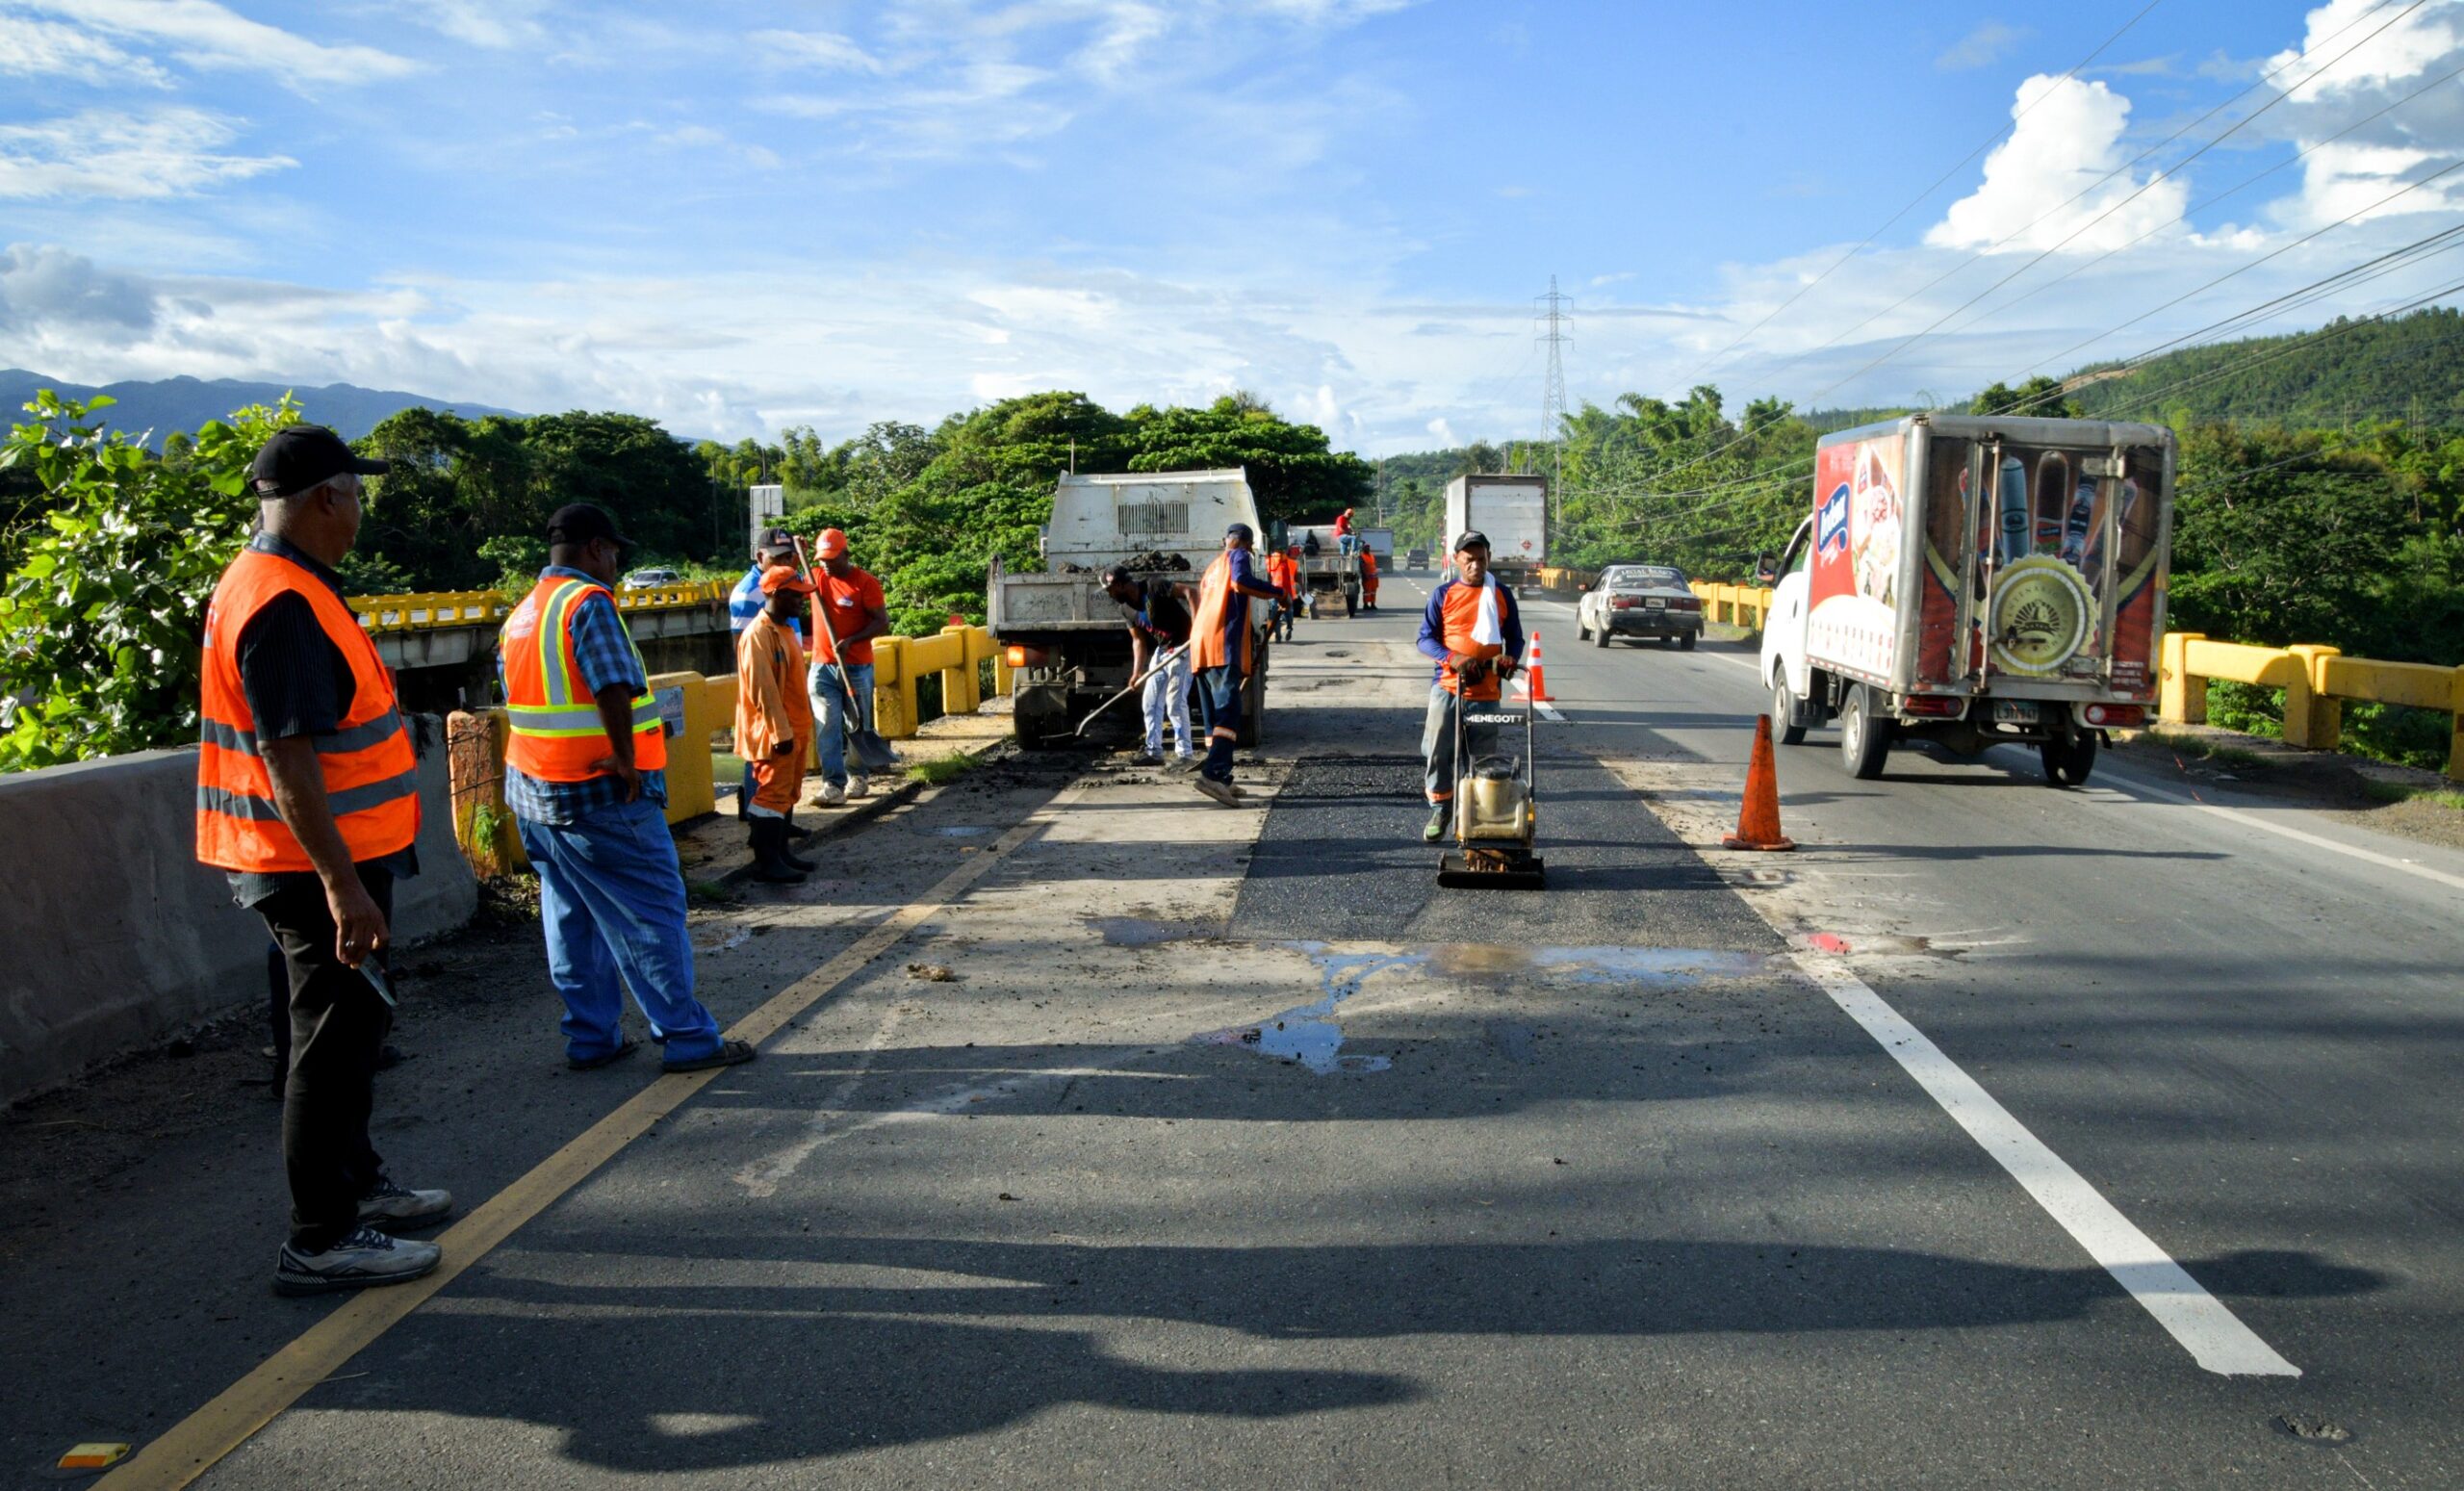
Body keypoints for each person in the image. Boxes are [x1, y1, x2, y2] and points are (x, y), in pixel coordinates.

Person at [197, 424, 450, 1295]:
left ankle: (358, 1187)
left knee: (354, 1028)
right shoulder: (282, 603)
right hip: (311, 865)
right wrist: (344, 888)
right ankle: (321, 1235)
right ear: (324, 500)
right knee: (330, 1041)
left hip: (324, 856)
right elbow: (288, 758)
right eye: (357, 493)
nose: (361, 511)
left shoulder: (278, 581)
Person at [500, 502, 756, 1075]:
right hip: (601, 795)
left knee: (572, 918)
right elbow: (612, 686)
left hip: (538, 796)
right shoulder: (587, 603)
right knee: (650, 914)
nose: (617, 561)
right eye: (614, 550)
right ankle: (689, 1039)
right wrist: (623, 758)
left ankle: (591, 1038)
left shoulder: (522, 613)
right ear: (595, 549)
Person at [1416, 529, 1525, 843]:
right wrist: (1453, 657)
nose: (1476, 565)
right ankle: (1441, 808)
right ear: (1456, 561)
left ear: (1488, 559)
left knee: (1483, 759)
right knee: (1438, 751)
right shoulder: (1443, 594)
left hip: (1487, 693)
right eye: (1469, 560)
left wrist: (1510, 658)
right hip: (1448, 688)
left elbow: (1515, 637)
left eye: (1481, 559)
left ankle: (1478, 816)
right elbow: (1425, 639)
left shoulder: (1502, 594)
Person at [1188, 522, 1285, 807]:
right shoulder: (1238, 555)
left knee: (1214, 719)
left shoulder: (1212, 567)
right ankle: (1213, 775)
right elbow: (1242, 581)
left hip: (1201, 647)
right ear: (1245, 542)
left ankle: (1224, 778)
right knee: (1229, 714)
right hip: (1221, 646)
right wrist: (1277, 592)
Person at [737, 563, 819, 883]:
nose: (801, 601)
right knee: (771, 794)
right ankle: (767, 861)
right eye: (794, 595)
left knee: (787, 793)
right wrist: (780, 731)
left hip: (794, 727)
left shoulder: (784, 630)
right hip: (775, 731)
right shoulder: (758, 635)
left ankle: (781, 852)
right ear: (775, 594)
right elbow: (763, 690)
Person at [804, 527, 890, 808]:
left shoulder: (865, 583)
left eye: (831, 558)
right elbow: (787, 584)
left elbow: (881, 622)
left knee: (857, 723)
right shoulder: (815, 578)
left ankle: (858, 776)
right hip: (822, 666)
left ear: (846, 554)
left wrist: (852, 640)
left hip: (857, 666)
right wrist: (798, 556)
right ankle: (832, 784)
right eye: (821, 559)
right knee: (827, 723)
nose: (826, 564)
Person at [1102, 563, 1197, 768]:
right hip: (1163, 651)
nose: (1109, 594)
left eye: (1110, 589)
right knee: (1150, 702)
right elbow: (1138, 641)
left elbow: (1191, 592)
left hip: (1184, 647)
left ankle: (1185, 755)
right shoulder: (1125, 609)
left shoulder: (1155, 586)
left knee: (1175, 702)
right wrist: (1136, 673)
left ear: (1119, 584)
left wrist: (1198, 627)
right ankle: (1154, 752)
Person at [1263, 546, 1298, 643]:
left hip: (1275, 592)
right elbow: (1297, 577)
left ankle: (1278, 635)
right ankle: (1288, 629)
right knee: (1288, 613)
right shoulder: (1292, 563)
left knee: (1275, 615)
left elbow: (1266, 576)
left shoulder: (1269, 561)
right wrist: (1302, 587)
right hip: (1287, 593)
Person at [1360, 548, 1380, 612]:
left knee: (1373, 591)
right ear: (1364, 549)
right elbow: (1362, 567)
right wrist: (1365, 575)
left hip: (1374, 577)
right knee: (1367, 591)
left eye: (1368, 548)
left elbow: (1374, 565)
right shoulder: (1362, 556)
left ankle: (1372, 604)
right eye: (1366, 548)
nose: (1368, 549)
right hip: (1367, 577)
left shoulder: (1371, 556)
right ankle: (1365, 605)